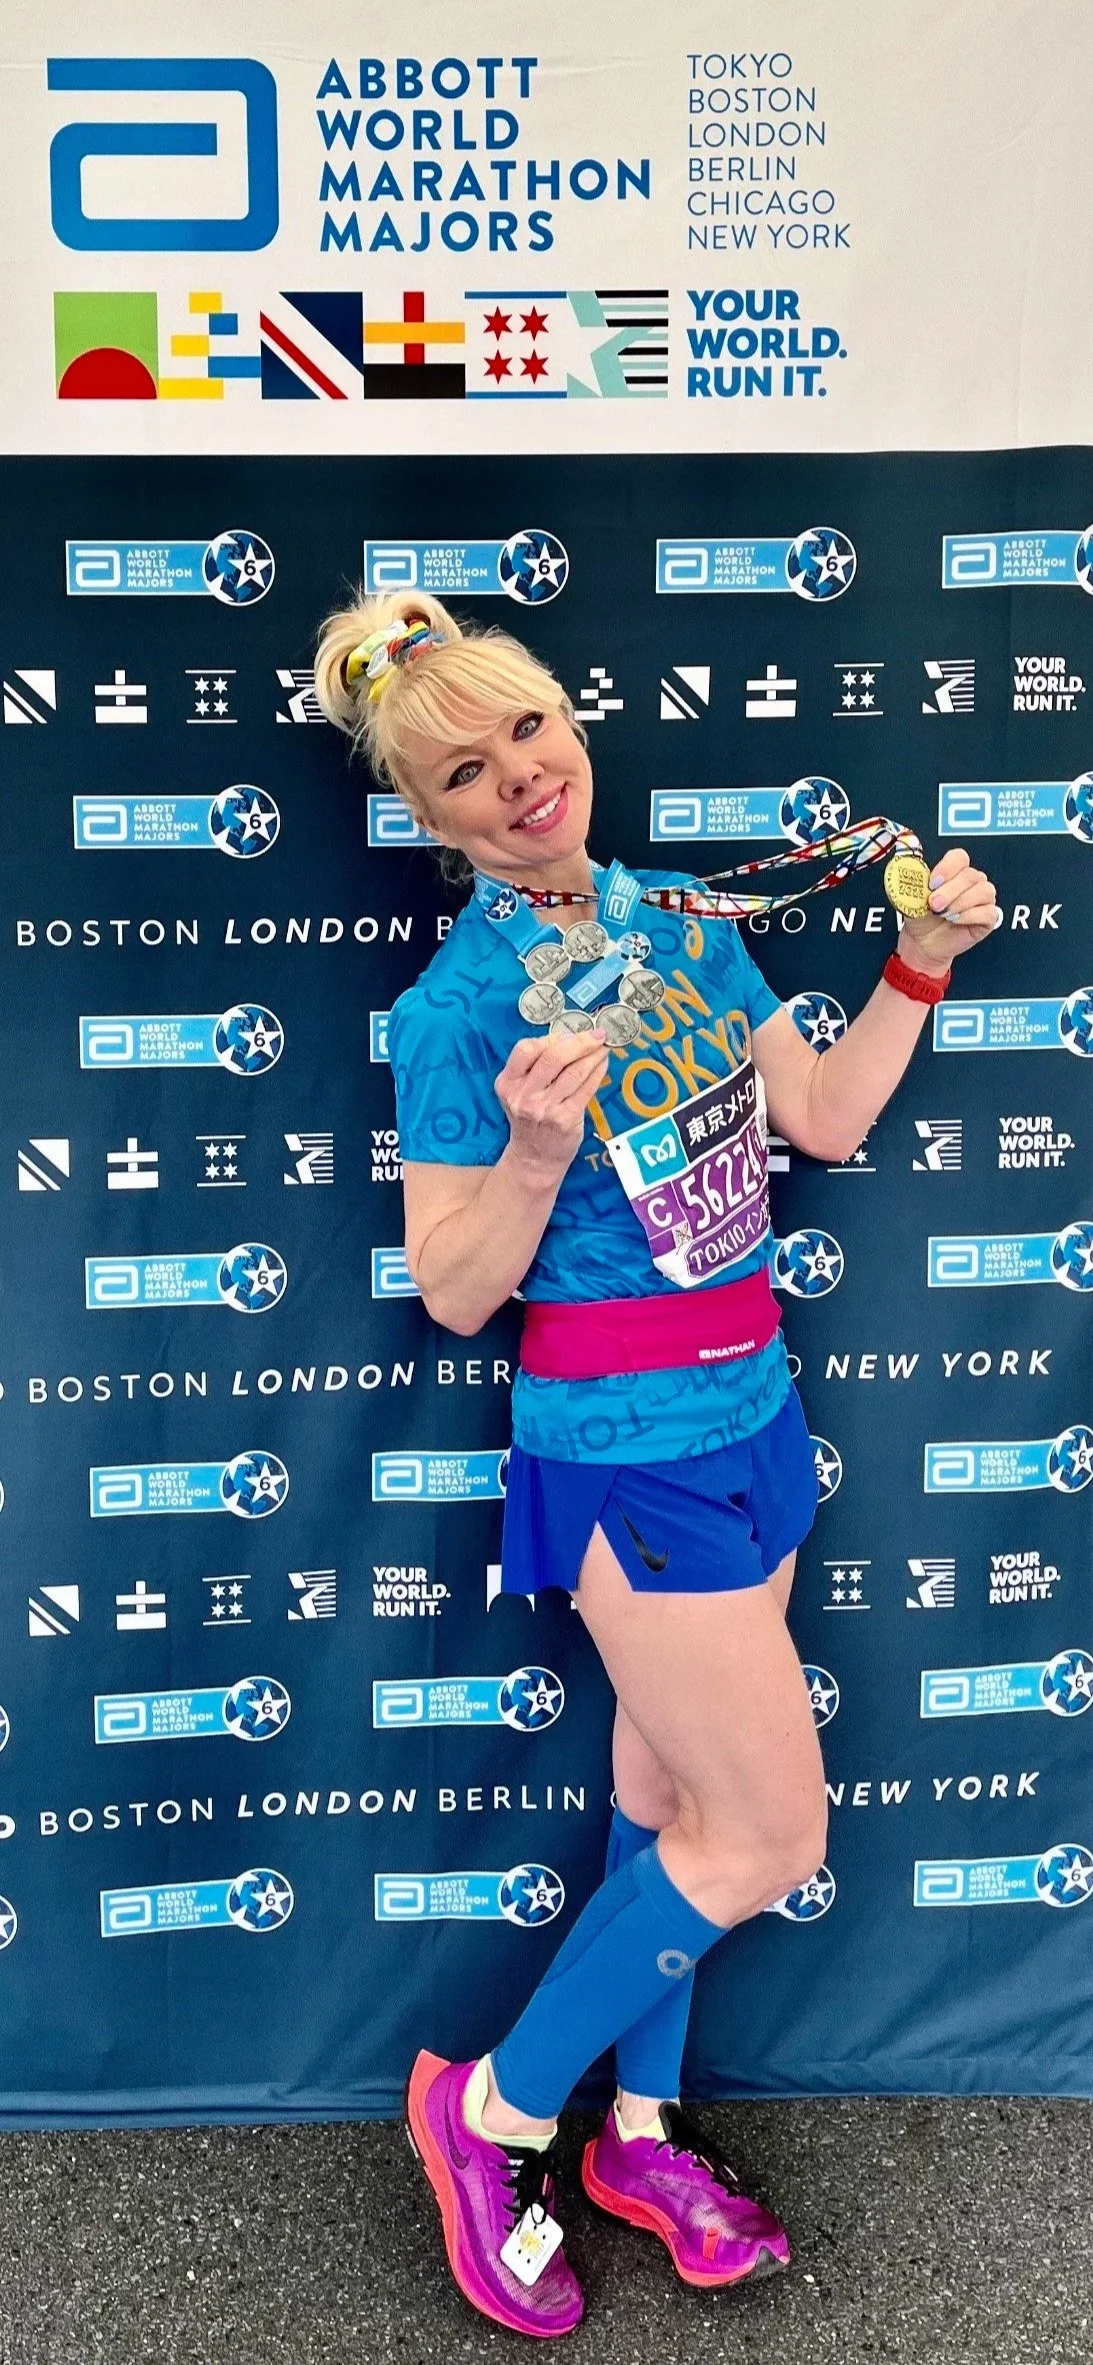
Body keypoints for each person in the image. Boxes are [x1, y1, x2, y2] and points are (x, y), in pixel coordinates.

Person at [313, 592, 999, 2338]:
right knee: (766, 1834)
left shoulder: (682, 924)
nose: (519, 781)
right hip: (623, 1449)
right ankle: (493, 2114)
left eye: (528, 732)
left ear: (569, 722)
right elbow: (461, 1293)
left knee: (671, 1808)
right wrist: (537, 1157)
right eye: (464, 771)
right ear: (429, 816)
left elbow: (827, 1120)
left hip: (758, 1410)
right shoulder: (455, 1012)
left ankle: (636, 2133)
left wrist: (918, 963)